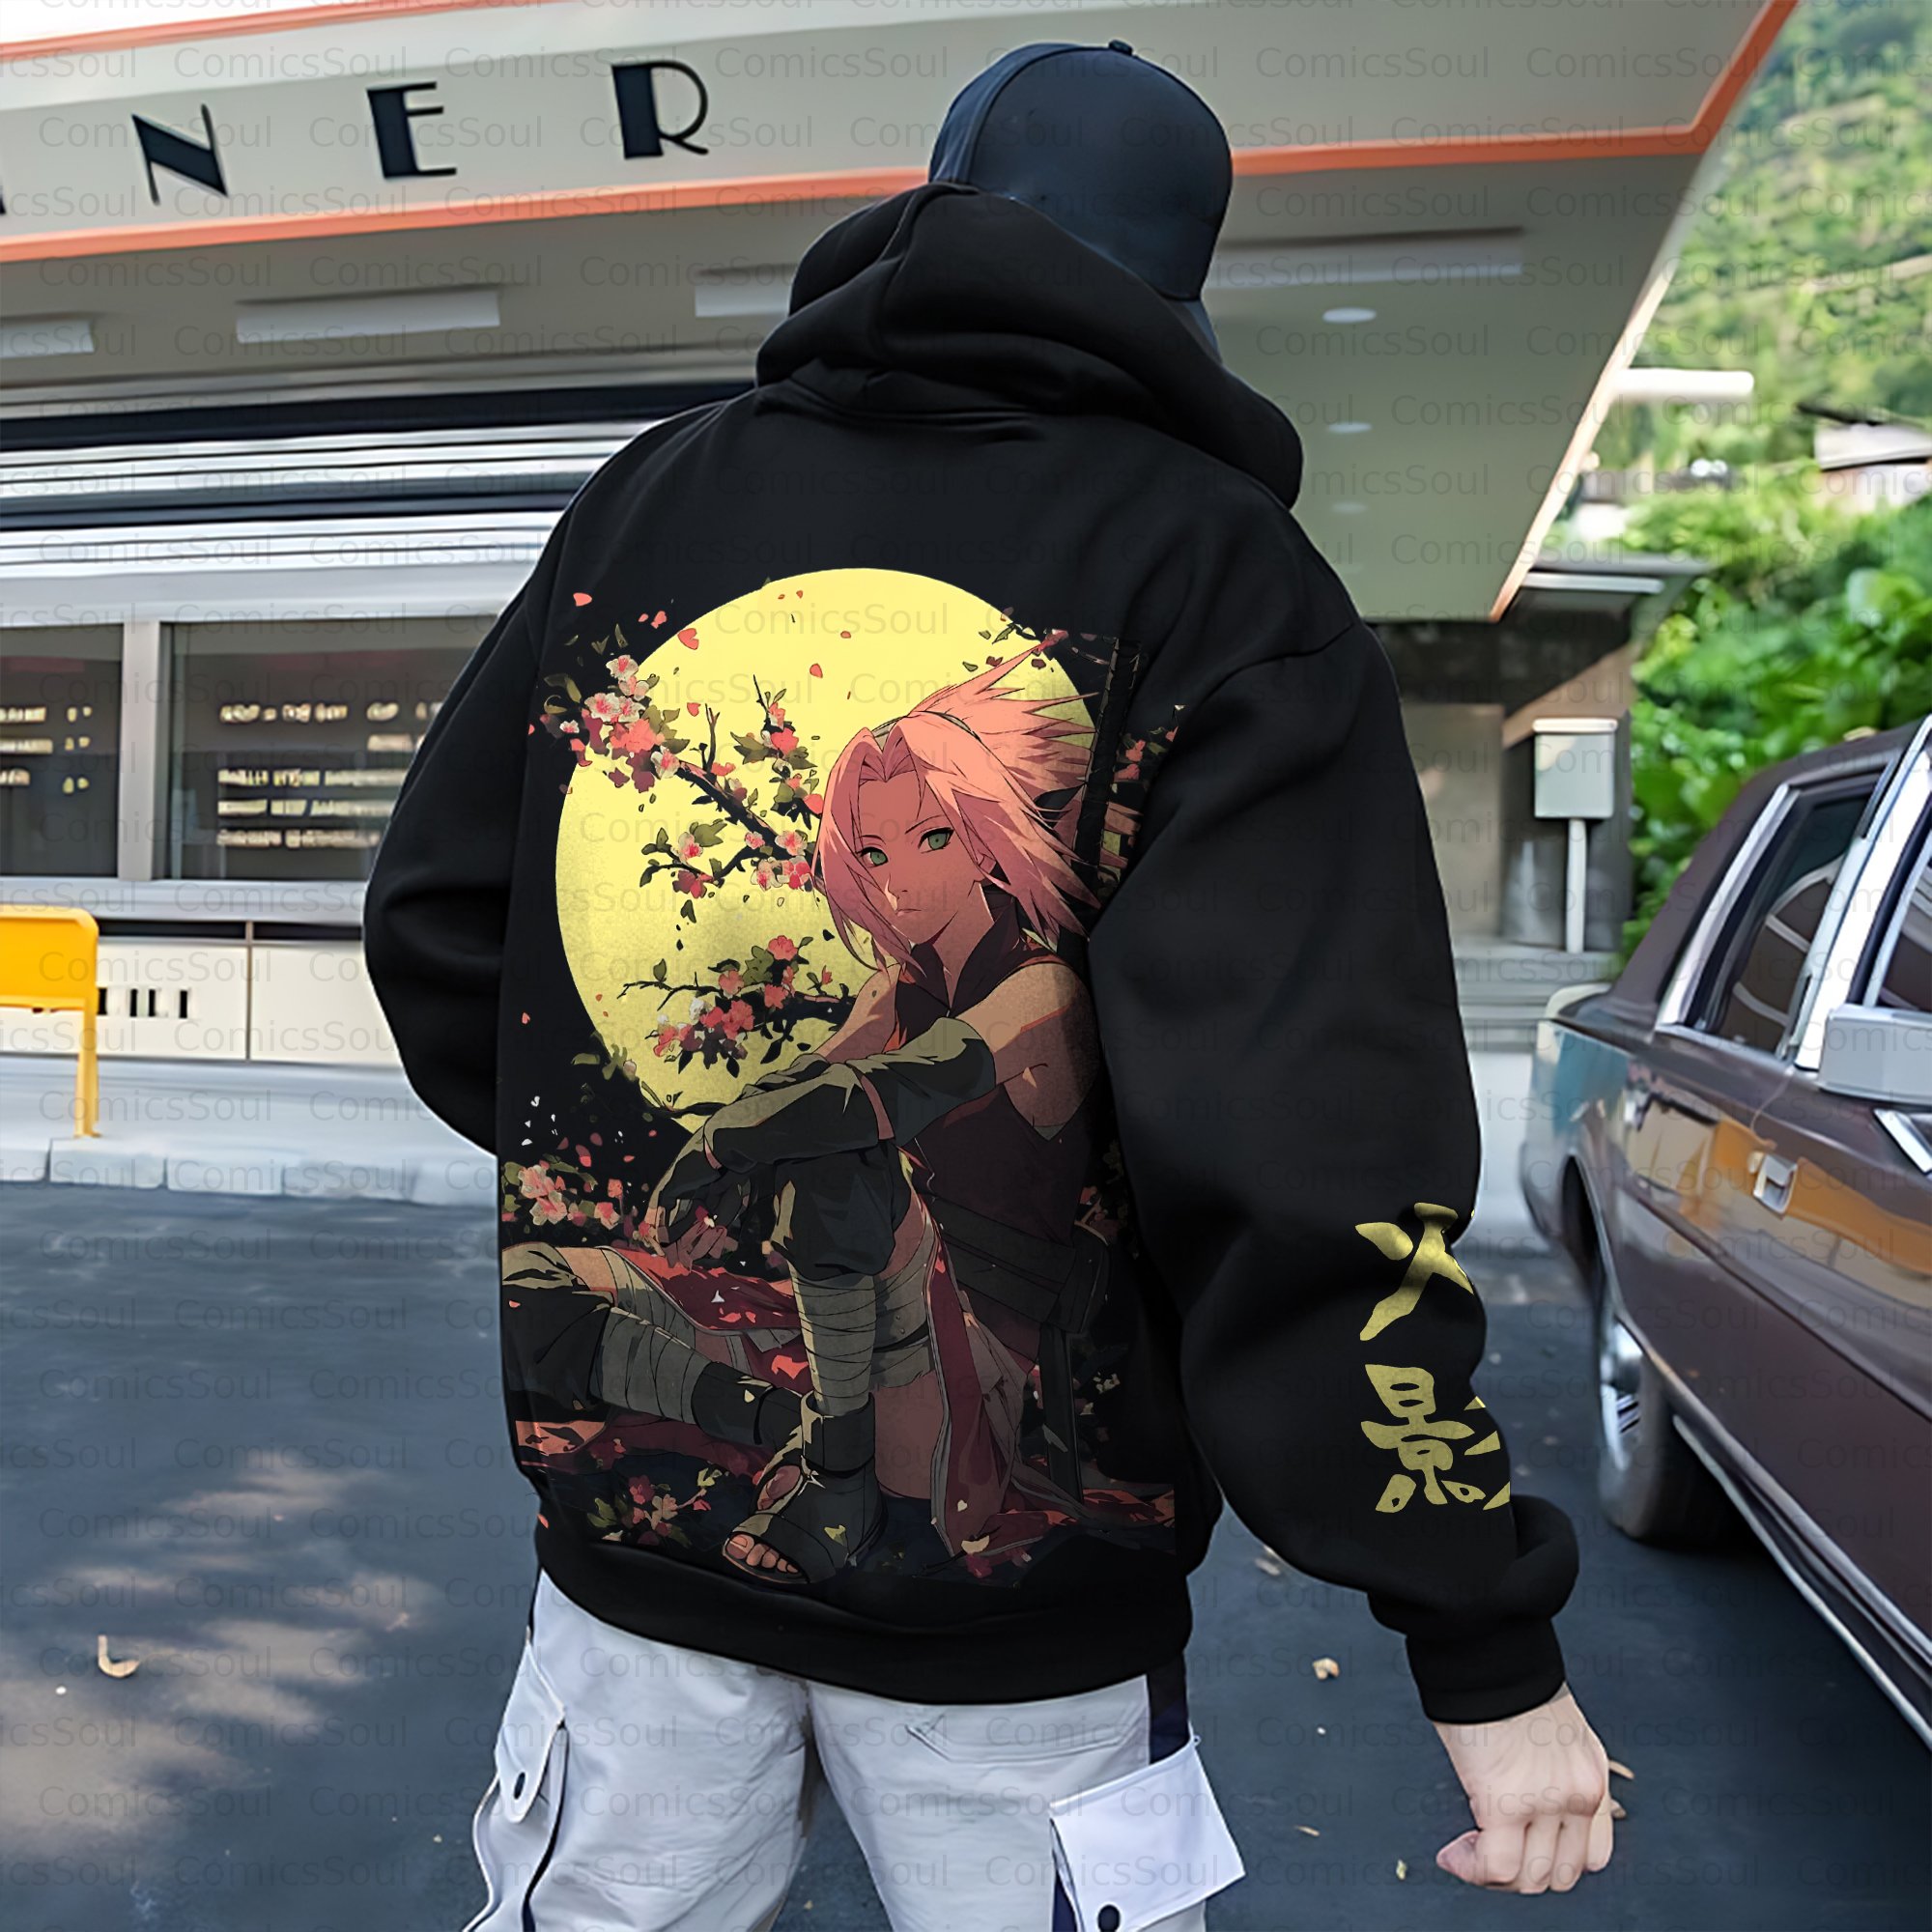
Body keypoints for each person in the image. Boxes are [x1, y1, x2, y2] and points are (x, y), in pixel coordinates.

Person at [364, 39, 1612, 1932]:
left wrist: (620, 1158)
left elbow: (448, 930)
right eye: (863, 846)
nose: (883, 877)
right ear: (1179, 278)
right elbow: (1306, 1154)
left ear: (931, 198)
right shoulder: (1220, 581)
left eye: (922, 839)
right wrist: (1479, 1635)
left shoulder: (654, 502)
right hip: (1021, 1636)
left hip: (642, 1574)